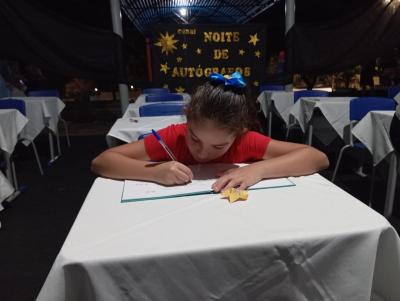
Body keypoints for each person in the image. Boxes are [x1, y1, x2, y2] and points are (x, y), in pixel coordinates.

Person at [92, 72, 329, 192]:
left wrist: (260, 169)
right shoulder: (174, 137)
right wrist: (153, 172)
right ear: (187, 120)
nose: (202, 153)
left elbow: (317, 157)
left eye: (218, 146)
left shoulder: (245, 141)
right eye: (194, 139)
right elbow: (102, 161)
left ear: (238, 133)